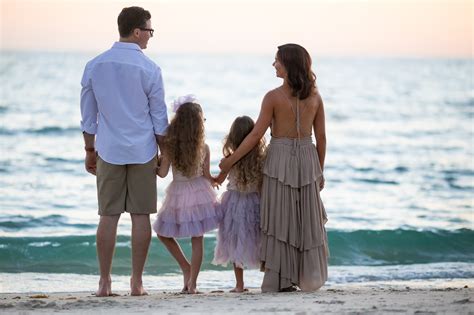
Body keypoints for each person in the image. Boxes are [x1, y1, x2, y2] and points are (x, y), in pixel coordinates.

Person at [219, 43, 329, 292]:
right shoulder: (315, 97)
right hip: (307, 158)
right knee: (305, 219)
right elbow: (321, 138)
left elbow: (256, 134)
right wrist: (318, 171)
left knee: (281, 220)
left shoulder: (272, 97)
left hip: (279, 159)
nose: (273, 64)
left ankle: (282, 279)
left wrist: (231, 159)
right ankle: (306, 277)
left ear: (289, 65)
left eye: (277, 60)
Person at [80, 6, 168, 296]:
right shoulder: (150, 69)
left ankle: (104, 282)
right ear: (136, 31)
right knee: (140, 216)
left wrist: (89, 150)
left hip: (108, 149)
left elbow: (88, 116)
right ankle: (137, 282)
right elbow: (159, 118)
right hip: (142, 150)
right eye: (149, 31)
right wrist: (164, 155)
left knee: (108, 216)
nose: (150, 37)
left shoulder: (95, 65)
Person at [153, 95, 220, 294]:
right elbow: (207, 176)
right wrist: (217, 180)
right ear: (198, 126)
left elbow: (163, 173)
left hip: (179, 192)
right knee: (196, 238)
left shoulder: (171, 147)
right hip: (200, 193)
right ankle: (192, 281)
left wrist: (155, 162)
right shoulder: (204, 148)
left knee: (162, 233)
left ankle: (186, 269)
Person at [212, 116, 266, 293]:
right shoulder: (261, 159)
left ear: (233, 137)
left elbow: (218, 180)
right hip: (254, 203)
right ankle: (268, 277)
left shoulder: (229, 159)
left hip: (234, 204)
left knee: (236, 242)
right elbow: (263, 185)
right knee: (258, 240)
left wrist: (205, 176)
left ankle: (239, 285)